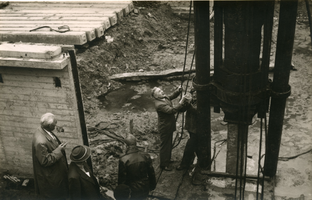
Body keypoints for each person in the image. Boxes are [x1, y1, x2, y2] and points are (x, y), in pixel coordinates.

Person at [32, 112, 69, 199]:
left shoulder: (43, 129)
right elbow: (45, 161)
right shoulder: (40, 142)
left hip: (56, 170)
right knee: (55, 194)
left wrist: (57, 145)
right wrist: (59, 150)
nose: (56, 126)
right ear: (48, 126)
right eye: (54, 124)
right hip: (51, 174)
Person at [151, 86, 186, 171]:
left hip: (169, 125)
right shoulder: (159, 105)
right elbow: (171, 110)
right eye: (159, 91)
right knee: (165, 146)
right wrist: (181, 103)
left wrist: (178, 91)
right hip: (164, 127)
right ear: (156, 96)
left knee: (169, 144)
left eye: (161, 90)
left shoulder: (163, 97)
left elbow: (170, 97)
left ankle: (167, 160)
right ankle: (163, 165)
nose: (162, 91)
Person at [118, 134, 156, 200]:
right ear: (135, 143)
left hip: (132, 191)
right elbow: (151, 173)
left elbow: (122, 181)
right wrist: (152, 186)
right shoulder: (146, 156)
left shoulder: (123, 160)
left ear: (126, 145)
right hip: (145, 187)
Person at [176, 88, 200, 171]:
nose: (193, 95)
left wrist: (189, 103)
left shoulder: (201, 102)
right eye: (193, 93)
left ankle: (184, 164)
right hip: (191, 127)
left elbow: (197, 111)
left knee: (189, 147)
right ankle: (196, 160)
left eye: (195, 93)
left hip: (197, 129)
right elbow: (181, 110)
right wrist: (183, 101)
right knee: (195, 145)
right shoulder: (192, 101)